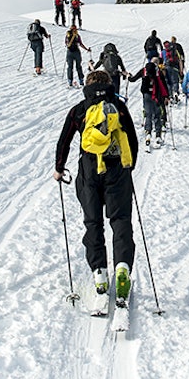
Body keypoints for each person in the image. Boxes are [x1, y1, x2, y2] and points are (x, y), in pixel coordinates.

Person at [54, 70, 140, 305]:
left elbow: (65, 140)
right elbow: (132, 139)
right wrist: (128, 168)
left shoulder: (80, 109)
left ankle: (99, 272)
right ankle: (122, 267)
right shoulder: (119, 107)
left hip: (89, 170)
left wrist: (59, 168)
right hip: (117, 170)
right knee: (120, 219)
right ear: (109, 84)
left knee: (93, 222)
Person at [128, 54, 169, 146]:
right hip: (157, 95)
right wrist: (166, 96)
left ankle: (148, 133)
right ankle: (158, 135)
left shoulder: (144, 70)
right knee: (157, 114)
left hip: (146, 95)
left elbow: (133, 79)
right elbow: (163, 84)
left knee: (148, 114)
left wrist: (128, 76)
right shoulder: (158, 71)